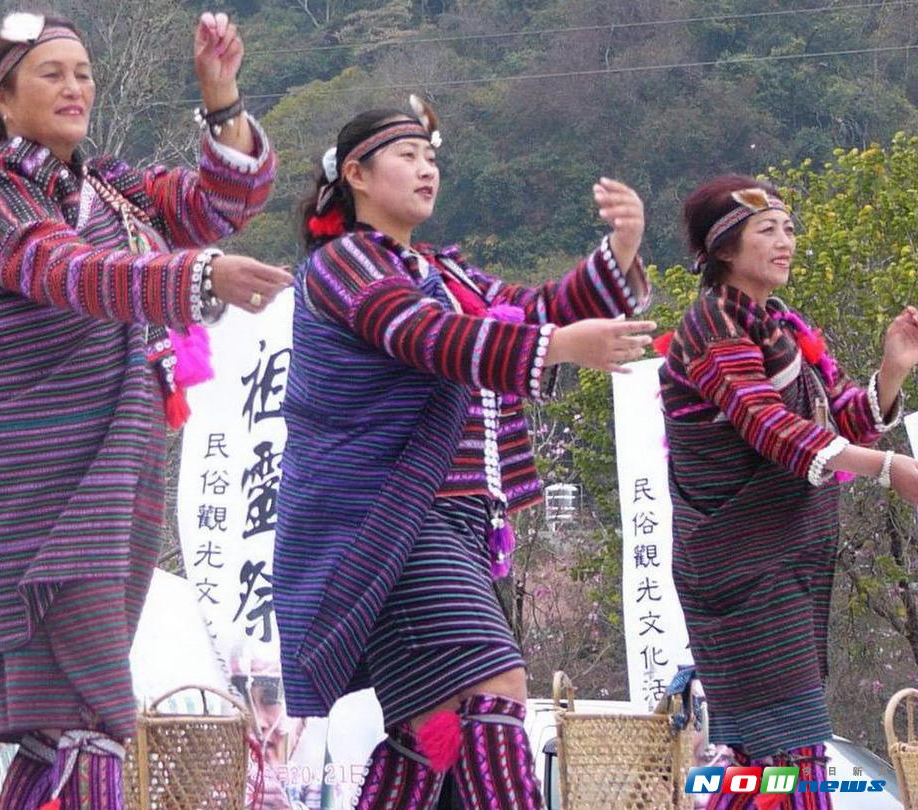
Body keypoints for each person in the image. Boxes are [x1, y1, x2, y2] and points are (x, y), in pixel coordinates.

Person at [0, 9, 289, 808]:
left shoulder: (113, 188)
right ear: (4, 97)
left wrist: (222, 98)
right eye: (52, 73)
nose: (74, 87)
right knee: (85, 716)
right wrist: (199, 278)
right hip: (39, 491)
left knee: (67, 727)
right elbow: (67, 272)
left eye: (83, 73)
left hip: (115, 467)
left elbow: (219, 203)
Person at [273, 98, 655, 809]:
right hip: (387, 523)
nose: (427, 170)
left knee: (434, 726)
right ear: (356, 173)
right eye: (408, 156)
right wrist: (559, 347)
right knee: (497, 685)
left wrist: (618, 257)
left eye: (432, 159)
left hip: (459, 522)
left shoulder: (444, 271)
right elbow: (425, 336)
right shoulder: (343, 265)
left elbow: (533, 309)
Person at [659, 174, 918, 809]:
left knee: (767, 760)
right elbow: (772, 428)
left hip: (777, 563)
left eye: (789, 227)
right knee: (794, 751)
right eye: (766, 229)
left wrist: (891, 368)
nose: (785, 240)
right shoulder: (710, 328)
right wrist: (889, 468)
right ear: (724, 248)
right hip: (738, 572)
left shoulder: (780, 325)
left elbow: (834, 424)